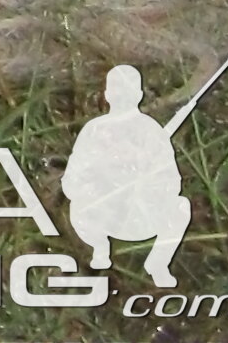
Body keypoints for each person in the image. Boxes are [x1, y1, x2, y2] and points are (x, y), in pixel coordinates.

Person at [62, 63, 193, 287]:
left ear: (139, 94)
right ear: (108, 94)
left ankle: (158, 263)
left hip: (143, 217)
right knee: (77, 206)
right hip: (103, 215)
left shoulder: (152, 132)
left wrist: (148, 184)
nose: (122, 95)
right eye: (117, 89)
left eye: (128, 90)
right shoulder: (95, 129)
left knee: (181, 207)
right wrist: (102, 183)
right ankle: (99, 248)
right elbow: (72, 178)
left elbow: (173, 181)